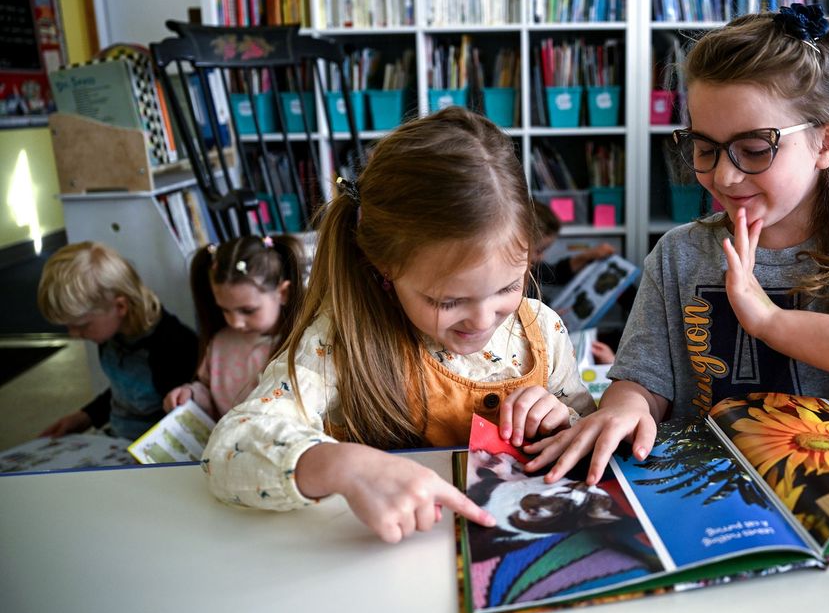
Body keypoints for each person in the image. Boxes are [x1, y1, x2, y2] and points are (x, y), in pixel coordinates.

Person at [525, 3, 829, 485]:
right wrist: (625, 408)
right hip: (713, 487)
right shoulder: (678, 255)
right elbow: (644, 382)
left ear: (828, 144)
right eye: (705, 147)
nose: (724, 175)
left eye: (755, 149)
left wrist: (770, 321)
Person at [202, 107, 595, 543]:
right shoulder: (338, 343)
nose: (484, 319)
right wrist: (343, 466)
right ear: (385, 266)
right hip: (385, 558)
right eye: (449, 300)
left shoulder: (542, 330)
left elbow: (589, 427)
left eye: (508, 286)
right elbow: (228, 450)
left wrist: (566, 423)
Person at [36, 241, 198, 441]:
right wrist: (85, 417)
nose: (74, 334)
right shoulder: (110, 334)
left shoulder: (174, 345)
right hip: (117, 439)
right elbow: (123, 394)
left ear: (120, 306)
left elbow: (184, 422)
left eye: (82, 325)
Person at [162, 235, 305, 420]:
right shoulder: (220, 342)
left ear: (283, 293)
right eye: (224, 310)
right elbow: (208, 389)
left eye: (247, 310)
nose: (235, 322)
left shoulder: (303, 345)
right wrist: (191, 395)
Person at [530, 200, 618, 364]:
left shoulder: (531, 266)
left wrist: (587, 256)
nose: (541, 257)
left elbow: (555, 273)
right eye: (539, 250)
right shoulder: (516, 277)